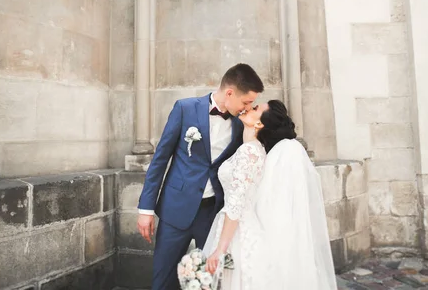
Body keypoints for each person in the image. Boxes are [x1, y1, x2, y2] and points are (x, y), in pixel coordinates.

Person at [137, 63, 264, 290]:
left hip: (213, 214)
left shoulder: (241, 125)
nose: (248, 108)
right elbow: (160, 160)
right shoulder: (185, 108)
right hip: (175, 210)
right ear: (229, 93)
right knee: (163, 279)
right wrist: (145, 209)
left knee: (211, 281)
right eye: (246, 102)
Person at [203, 100, 338, 290]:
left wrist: (220, 249)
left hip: (237, 232)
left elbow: (236, 203)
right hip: (239, 228)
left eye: (256, 108)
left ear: (259, 124)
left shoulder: (249, 152)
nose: (250, 106)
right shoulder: (254, 150)